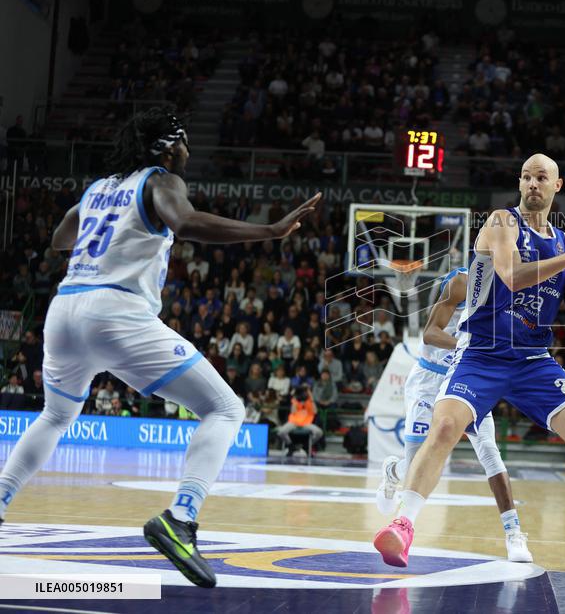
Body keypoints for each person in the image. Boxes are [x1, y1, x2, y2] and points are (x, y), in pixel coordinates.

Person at [0, 108, 320, 587]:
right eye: (185, 144)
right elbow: (186, 223)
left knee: (56, 415)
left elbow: (59, 238)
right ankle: (182, 519)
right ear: (167, 148)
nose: (188, 153)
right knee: (225, 409)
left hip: (64, 310)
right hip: (116, 311)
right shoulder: (162, 180)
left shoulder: (98, 188)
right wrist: (269, 232)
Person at [373, 153, 565, 574]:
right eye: (527, 177)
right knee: (444, 427)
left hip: (532, 358)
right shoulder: (501, 222)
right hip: (481, 351)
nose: (533, 184)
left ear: (557, 185)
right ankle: (402, 525)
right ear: (520, 183)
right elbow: (512, 276)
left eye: (542, 178)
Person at [374, 268, 532, 562]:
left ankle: (514, 534)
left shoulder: (512, 292)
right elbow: (430, 333)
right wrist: (467, 344)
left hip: (466, 379)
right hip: (430, 378)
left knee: (489, 452)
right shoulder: (461, 281)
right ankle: (393, 472)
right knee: (414, 467)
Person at [276, 386, 323, 456]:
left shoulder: (310, 402)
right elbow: (293, 411)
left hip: (306, 423)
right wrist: (295, 399)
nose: (303, 395)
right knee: (281, 432)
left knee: (319, 432)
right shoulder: (294, 401)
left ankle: (306, 446)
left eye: (304, 393)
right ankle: (291, 446)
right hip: (293, 422)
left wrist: (311, 398)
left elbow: (315, 411)